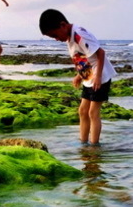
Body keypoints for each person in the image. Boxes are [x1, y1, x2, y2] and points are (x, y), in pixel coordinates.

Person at [39, 9, 118, 147]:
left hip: (100, 77)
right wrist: (79, 76)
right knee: (82, 110)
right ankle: (83, 142)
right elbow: (85, 57)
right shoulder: (69, 36)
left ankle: (94, 145)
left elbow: (100, 53)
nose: (57, 39)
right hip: (88, 77)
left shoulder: (79, 34)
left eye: (55, 35)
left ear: (63, 25)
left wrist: (98, 77)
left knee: (93, 112)